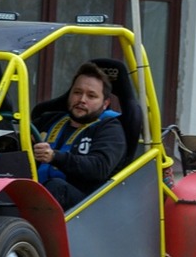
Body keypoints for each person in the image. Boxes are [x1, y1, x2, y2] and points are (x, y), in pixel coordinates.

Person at [32, 62, 126, 208]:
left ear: (105, 103)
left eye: (91, 96)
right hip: (37, 194)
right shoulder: (48, 120)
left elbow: (99, 168)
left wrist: (55, 157)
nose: (82, 100)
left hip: (85, 207)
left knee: (55, 188)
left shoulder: (109, 128)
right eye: (77, 92)